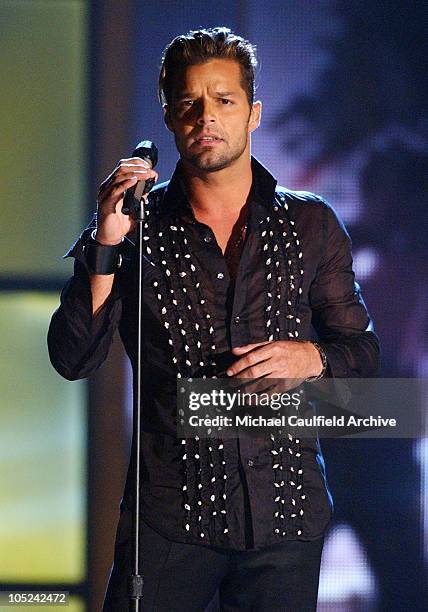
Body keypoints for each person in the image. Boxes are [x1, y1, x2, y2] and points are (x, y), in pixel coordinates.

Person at [48, 27, 379, 612]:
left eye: (223, 100)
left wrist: (314, 358)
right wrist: (106, 243)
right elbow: (73, 358)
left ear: (253, 114)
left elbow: (363, 356)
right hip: (169, 519)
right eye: (189, 104)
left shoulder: (311, 224)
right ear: (171, 119)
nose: (207, 117)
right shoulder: (133, 230)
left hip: (284, 513)